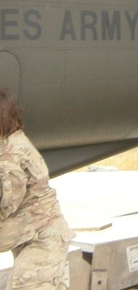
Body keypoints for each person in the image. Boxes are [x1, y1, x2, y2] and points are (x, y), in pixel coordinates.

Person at [0, 87, 74, 290]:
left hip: (42, 240)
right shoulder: (9, 142)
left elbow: (7, 202)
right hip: (34, 237)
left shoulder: (11, 153)